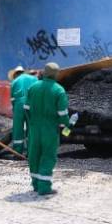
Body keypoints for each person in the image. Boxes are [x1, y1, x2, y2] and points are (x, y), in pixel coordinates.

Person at [24, 62, 75, 195]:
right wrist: (67, 126)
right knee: (48, 156)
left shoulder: (33, 87)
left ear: (44, 72)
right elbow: (63, 115)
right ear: (56, 74)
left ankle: (35, 184)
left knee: (34, 155)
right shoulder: (58, 90)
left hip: (34, 129)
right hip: (50, 130)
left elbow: (26, 109)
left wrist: (32, 123)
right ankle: (44, 187)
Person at [9, 66, 38, 155]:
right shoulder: (34, 79)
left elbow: (13, 99)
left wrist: (15, 111)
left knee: (18, 129)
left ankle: (17, 152)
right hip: (32, 103)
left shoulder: (14, 82)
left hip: (19, 103)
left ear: (15, 74)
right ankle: (31, 152)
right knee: (31, 128)